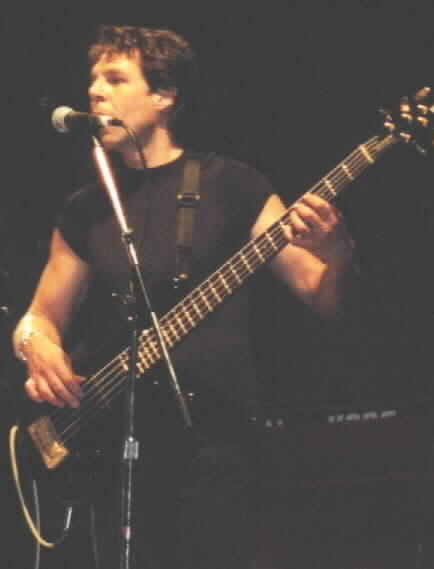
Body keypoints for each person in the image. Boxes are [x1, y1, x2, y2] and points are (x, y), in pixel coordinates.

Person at [12, 24, 356, 569]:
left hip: (215, 446)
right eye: (93, 79)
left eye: (115, 78)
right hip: (114, 447)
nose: (94, 90)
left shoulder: (234, 184)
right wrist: (39, 345)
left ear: (164, 95)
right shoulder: (85, 208)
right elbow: (39, 316)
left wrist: (336, 250)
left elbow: (319, 294)